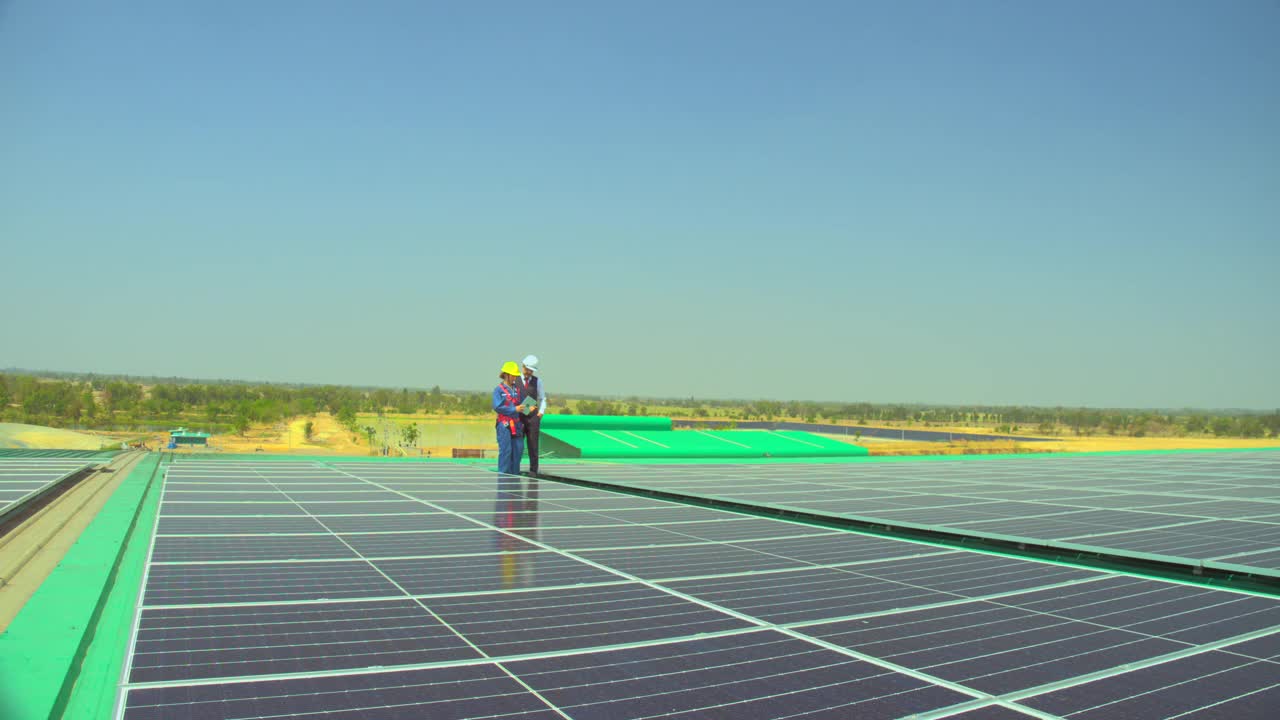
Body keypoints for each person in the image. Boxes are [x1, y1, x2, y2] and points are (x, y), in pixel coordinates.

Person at [492, 361, 525, 475]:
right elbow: (497, 406)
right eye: (513, 375)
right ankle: (503, 480)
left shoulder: (517, 390)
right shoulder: (499, 390)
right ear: (506, 374)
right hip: (504, 425)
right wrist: (514, 409)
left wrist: (527, 408)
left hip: (517, 425)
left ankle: (515, 478)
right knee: (506, 451)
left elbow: (520, 405)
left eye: (516, 375)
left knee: (518, 451)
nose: (515, 377)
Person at [517, 354, 547, 475]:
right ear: (523, 366)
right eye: (527, 369)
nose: (529, 372)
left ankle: (533, 470)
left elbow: (542, 398)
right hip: (519, 417)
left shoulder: (538, 381)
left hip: (533, 417)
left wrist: (541, 413)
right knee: (518, 444)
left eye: (531, 370)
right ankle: (514, 468)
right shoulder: (515, 380)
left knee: (533, 444)